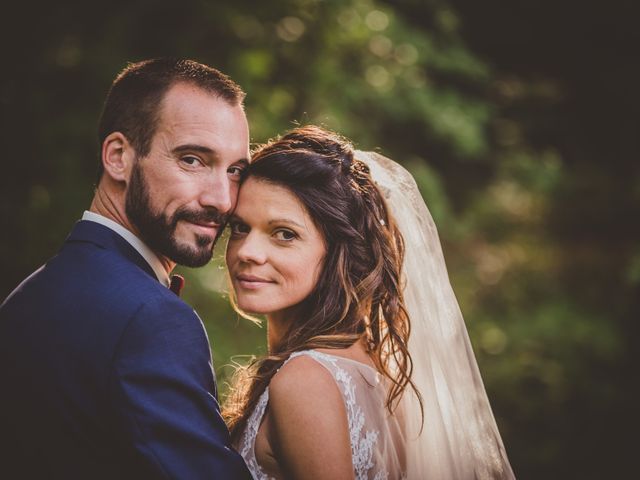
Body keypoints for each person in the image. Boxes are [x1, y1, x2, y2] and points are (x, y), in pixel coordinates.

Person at [0, 59, 252, 479]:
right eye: (192, 160)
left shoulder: (31, 291)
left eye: (235, 171)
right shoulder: (149, 318)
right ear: (118, 157)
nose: (222, 200)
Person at [223, 126, 516, 479]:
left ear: (338, 253)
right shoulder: (381, 372)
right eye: (239, 228)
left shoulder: (305, 380)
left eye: (284, 234)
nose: (247, 252)